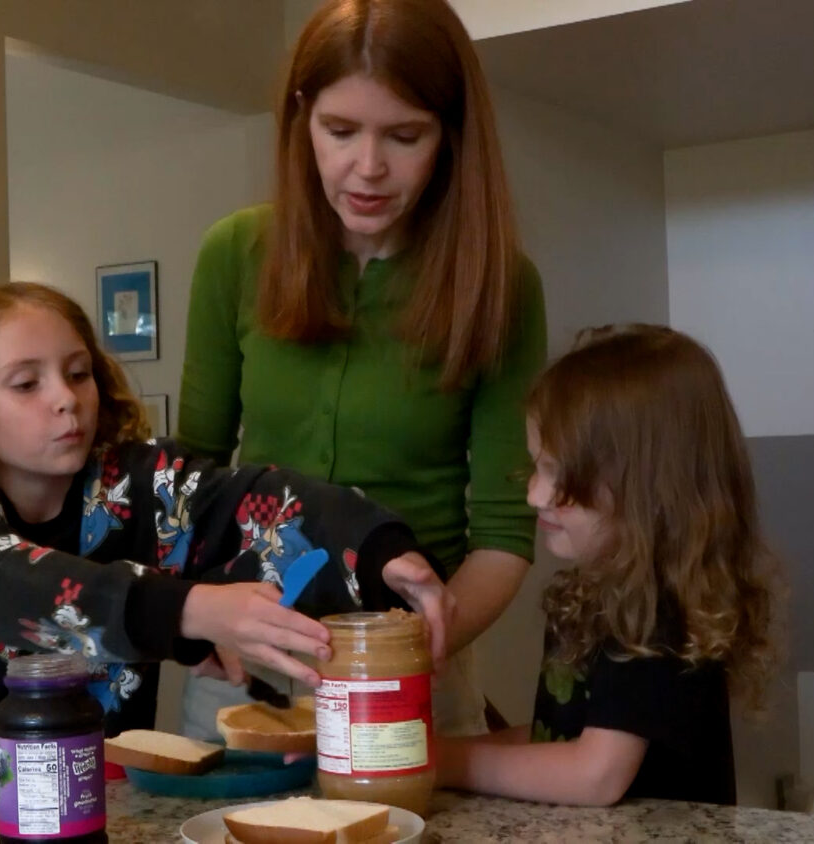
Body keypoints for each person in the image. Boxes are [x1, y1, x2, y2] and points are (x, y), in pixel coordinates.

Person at [177, 0, 546, 737]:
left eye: (405, 136)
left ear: (450, 138)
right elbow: (189, 480)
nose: (367, 168)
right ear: (300, 119)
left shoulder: (502, 285)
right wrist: (207, 616)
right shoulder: (234, 255)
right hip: (246, 670)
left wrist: (402, 648)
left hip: (412, 668)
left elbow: (505, 534)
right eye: (340, 131)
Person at [0, 282, 452, 734]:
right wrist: (189, 611)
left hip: (100, 784)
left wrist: (378, 552)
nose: (66, 399)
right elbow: (3, 582)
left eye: (78, 373)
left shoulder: (136, 484)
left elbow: (251, 500)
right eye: (26, 384)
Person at [435, 325, 781, 806]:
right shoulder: (596, 593)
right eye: (537, 467)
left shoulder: (656, 607)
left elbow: (594, 774)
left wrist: (441, 762)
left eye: (558, 473)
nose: (534, 494)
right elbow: (555, 740)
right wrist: (432, 753)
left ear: (646, 488)